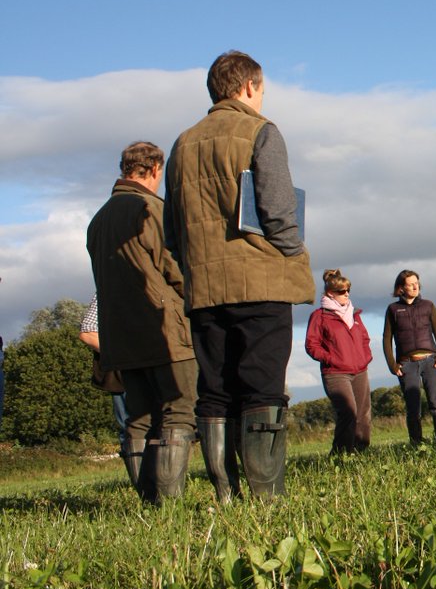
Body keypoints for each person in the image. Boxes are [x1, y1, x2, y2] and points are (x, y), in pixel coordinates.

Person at [164, 50, 314, 501]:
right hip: (260, 281)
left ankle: (226, 494)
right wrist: (295, 252)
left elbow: (172, 230)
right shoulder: (261, 131)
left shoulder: (182, 144)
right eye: (262, 89)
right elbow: (278, 211)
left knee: (215, 391)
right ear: (249, 86)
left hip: (205, 288)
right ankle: (267, 496)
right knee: (262, 388)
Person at [86, 141, 198, 502]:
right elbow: (174, 268)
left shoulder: (98, 220)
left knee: (140, 417)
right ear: (154, 170)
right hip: (163, 327)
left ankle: (148, 499)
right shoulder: (150, 208)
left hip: (120, 334)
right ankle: (168, 501)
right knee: (178, 410)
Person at [304, 269, 373, 453]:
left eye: (348, 290)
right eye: (342, 291)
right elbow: (311, 345)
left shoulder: (355, 314)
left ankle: (361, 452)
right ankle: (341, 455)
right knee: (348, 412)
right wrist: (331, 359)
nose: (347, 294)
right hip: (335, 373)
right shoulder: (319, 316)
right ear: (330, 293)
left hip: (360, 370)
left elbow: (365, 339)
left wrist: (365, 357)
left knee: (363, 414)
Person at [383, 269, 436, 443]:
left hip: (431, 361)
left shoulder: (428, 305)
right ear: (401, 288)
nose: (415, 287)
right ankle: (416, 444)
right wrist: (392, 365)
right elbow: (386, 338)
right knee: (413, 409)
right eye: (410, 284)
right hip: (407, 364)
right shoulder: (393, 309)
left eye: (417, 283)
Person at [78, 294, 130, 446]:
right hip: (124, 374)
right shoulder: (109, 288)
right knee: (131, 430)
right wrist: (126, 356)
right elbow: (88, 333)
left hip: (158, 368)